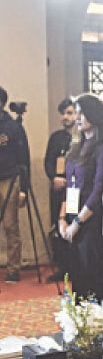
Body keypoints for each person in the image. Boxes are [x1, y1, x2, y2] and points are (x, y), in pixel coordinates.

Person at [58, 94, 103, 300]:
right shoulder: (77, 146)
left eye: (82, 113)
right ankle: (78, 316)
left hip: (90, 221)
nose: (77, 118)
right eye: (76, 113)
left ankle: (92, 316)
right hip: (73, 217)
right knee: (75, 276)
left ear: (94, 114)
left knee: (90, 275)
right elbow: (69, 185)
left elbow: (99, 191)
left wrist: (78, 223)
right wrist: (62, 219)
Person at [44, 97, 78, 283]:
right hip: (57, 189)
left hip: (73, 191)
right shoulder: (56, 137)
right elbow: (48, 161)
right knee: (58, 227)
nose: (66, 117)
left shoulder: (81, 137)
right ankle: (62, 268)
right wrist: (54, 178)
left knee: (71, 225)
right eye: (63, 113)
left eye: (70, 113)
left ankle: (75, 267)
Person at [0, 85, 30, 283]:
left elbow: (24, 159)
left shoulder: (13, 127)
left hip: (9, 179)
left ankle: (13, 268)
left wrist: (24, 189)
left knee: (10, 225)